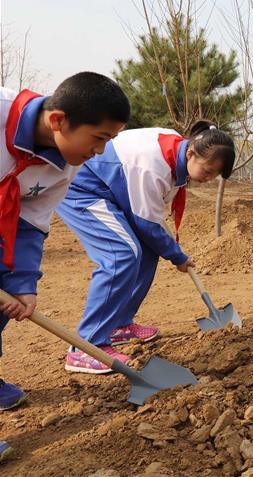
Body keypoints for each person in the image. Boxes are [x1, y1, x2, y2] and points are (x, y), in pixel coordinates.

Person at [0, 73, 129, 461]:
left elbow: (31, 220)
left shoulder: (66, 164)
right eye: (99, 138)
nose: (101, 152)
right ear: (58, 120)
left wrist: (23, 283)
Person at [56, 121, 235, 374]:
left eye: (214, 175)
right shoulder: (153, 166)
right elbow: (146, 224)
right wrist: (177, 255)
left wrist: (168, 249)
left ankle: (118, 325)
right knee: (121, 255)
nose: (208, 179)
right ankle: (87, 346)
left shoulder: (176, 151)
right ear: (191, 153)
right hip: (83, 187)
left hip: (113, 192)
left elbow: (149, 221)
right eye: (207, 171)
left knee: (149, 250)